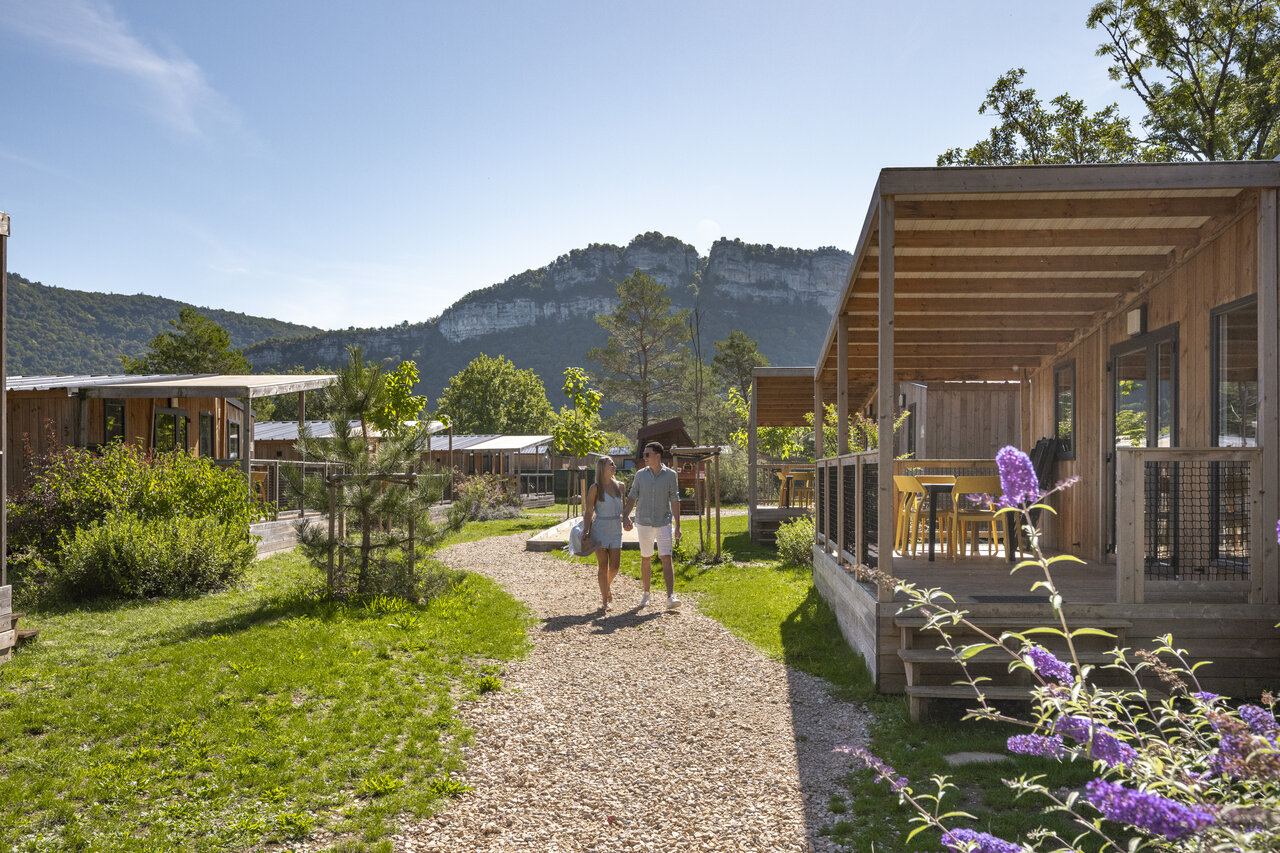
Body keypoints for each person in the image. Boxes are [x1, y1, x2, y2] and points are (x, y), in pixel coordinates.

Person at [622, 440, 681, 609]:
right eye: (643, 455)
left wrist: (678, 525)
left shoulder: (671, 475)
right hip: (644, 522)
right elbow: (632, 496)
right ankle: (646, 594)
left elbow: (675, 499)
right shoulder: (640, 475)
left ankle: (670, 596)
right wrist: (625, 516)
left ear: (657, 455)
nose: (644, 457)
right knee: (646, 557)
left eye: (647, 454)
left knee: (666, 558)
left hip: (664, 522)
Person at [582, 455, 624, 612]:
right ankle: (605, 600)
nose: (614, 466)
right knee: (602, 566)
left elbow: (624, 510)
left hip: (615, 530)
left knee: (614, 567)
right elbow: (589, 511)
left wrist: (626, 519)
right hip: (599, 529)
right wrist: (586, 530)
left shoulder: (621, 486)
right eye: (610, 464)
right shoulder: (595, 488)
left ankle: (606, 588)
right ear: (602, 468)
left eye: (613, 464)